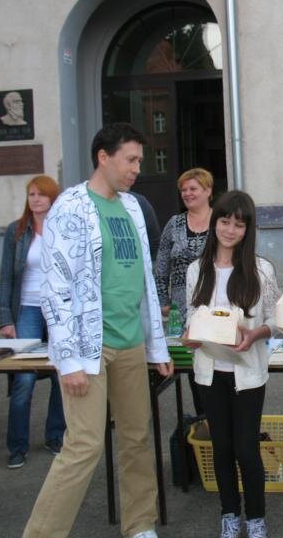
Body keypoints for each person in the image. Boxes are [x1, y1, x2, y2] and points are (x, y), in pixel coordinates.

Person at [23, 123, 173, 538]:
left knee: (136, 438)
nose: (137, 168)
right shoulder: (70, 207)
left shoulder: (133, 208)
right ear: (103, 157)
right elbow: (55, 289)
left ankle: (140, 525)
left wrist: (157, 346)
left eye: (140, 160)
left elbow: (143, 280)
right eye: (130, 160)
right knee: (84, 445)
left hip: (131, 342)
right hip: (89, 347)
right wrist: (67, 359)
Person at [183, 190, 278, 538]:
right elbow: (191, 317)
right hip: (209, 373)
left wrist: (255, 335)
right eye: (224, 221)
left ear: (247, 229)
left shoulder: (260, 269)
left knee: (246, 450)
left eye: (239, 224)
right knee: (220, 448)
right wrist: (189, 336)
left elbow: (276, 320)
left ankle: (256, 518)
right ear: (215, 223)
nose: (230, 230)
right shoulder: (197, 269)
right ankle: (229, 514)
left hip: (247, 373)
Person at [0, 174, 66, 469]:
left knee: (60, 373)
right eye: (32, 194)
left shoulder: (63, 229)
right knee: (24, 377)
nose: (36, 199)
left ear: (53, 198)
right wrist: (6, 318)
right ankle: (17, 446)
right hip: (27, 307)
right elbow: (5, 278)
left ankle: (55, 436)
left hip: (58, 309)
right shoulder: (16, 231)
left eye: (41, 194)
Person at [155, 167, 214, 414]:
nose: (187, 193)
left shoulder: (222, 221)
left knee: (222, 368)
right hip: (183, 313)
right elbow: (161, 267)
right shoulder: (174, 224)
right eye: (183, 190)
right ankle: (204, 421)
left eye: (193, 188)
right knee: (196, 373)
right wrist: (163, 300)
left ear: (208, 191)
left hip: (216, 309)